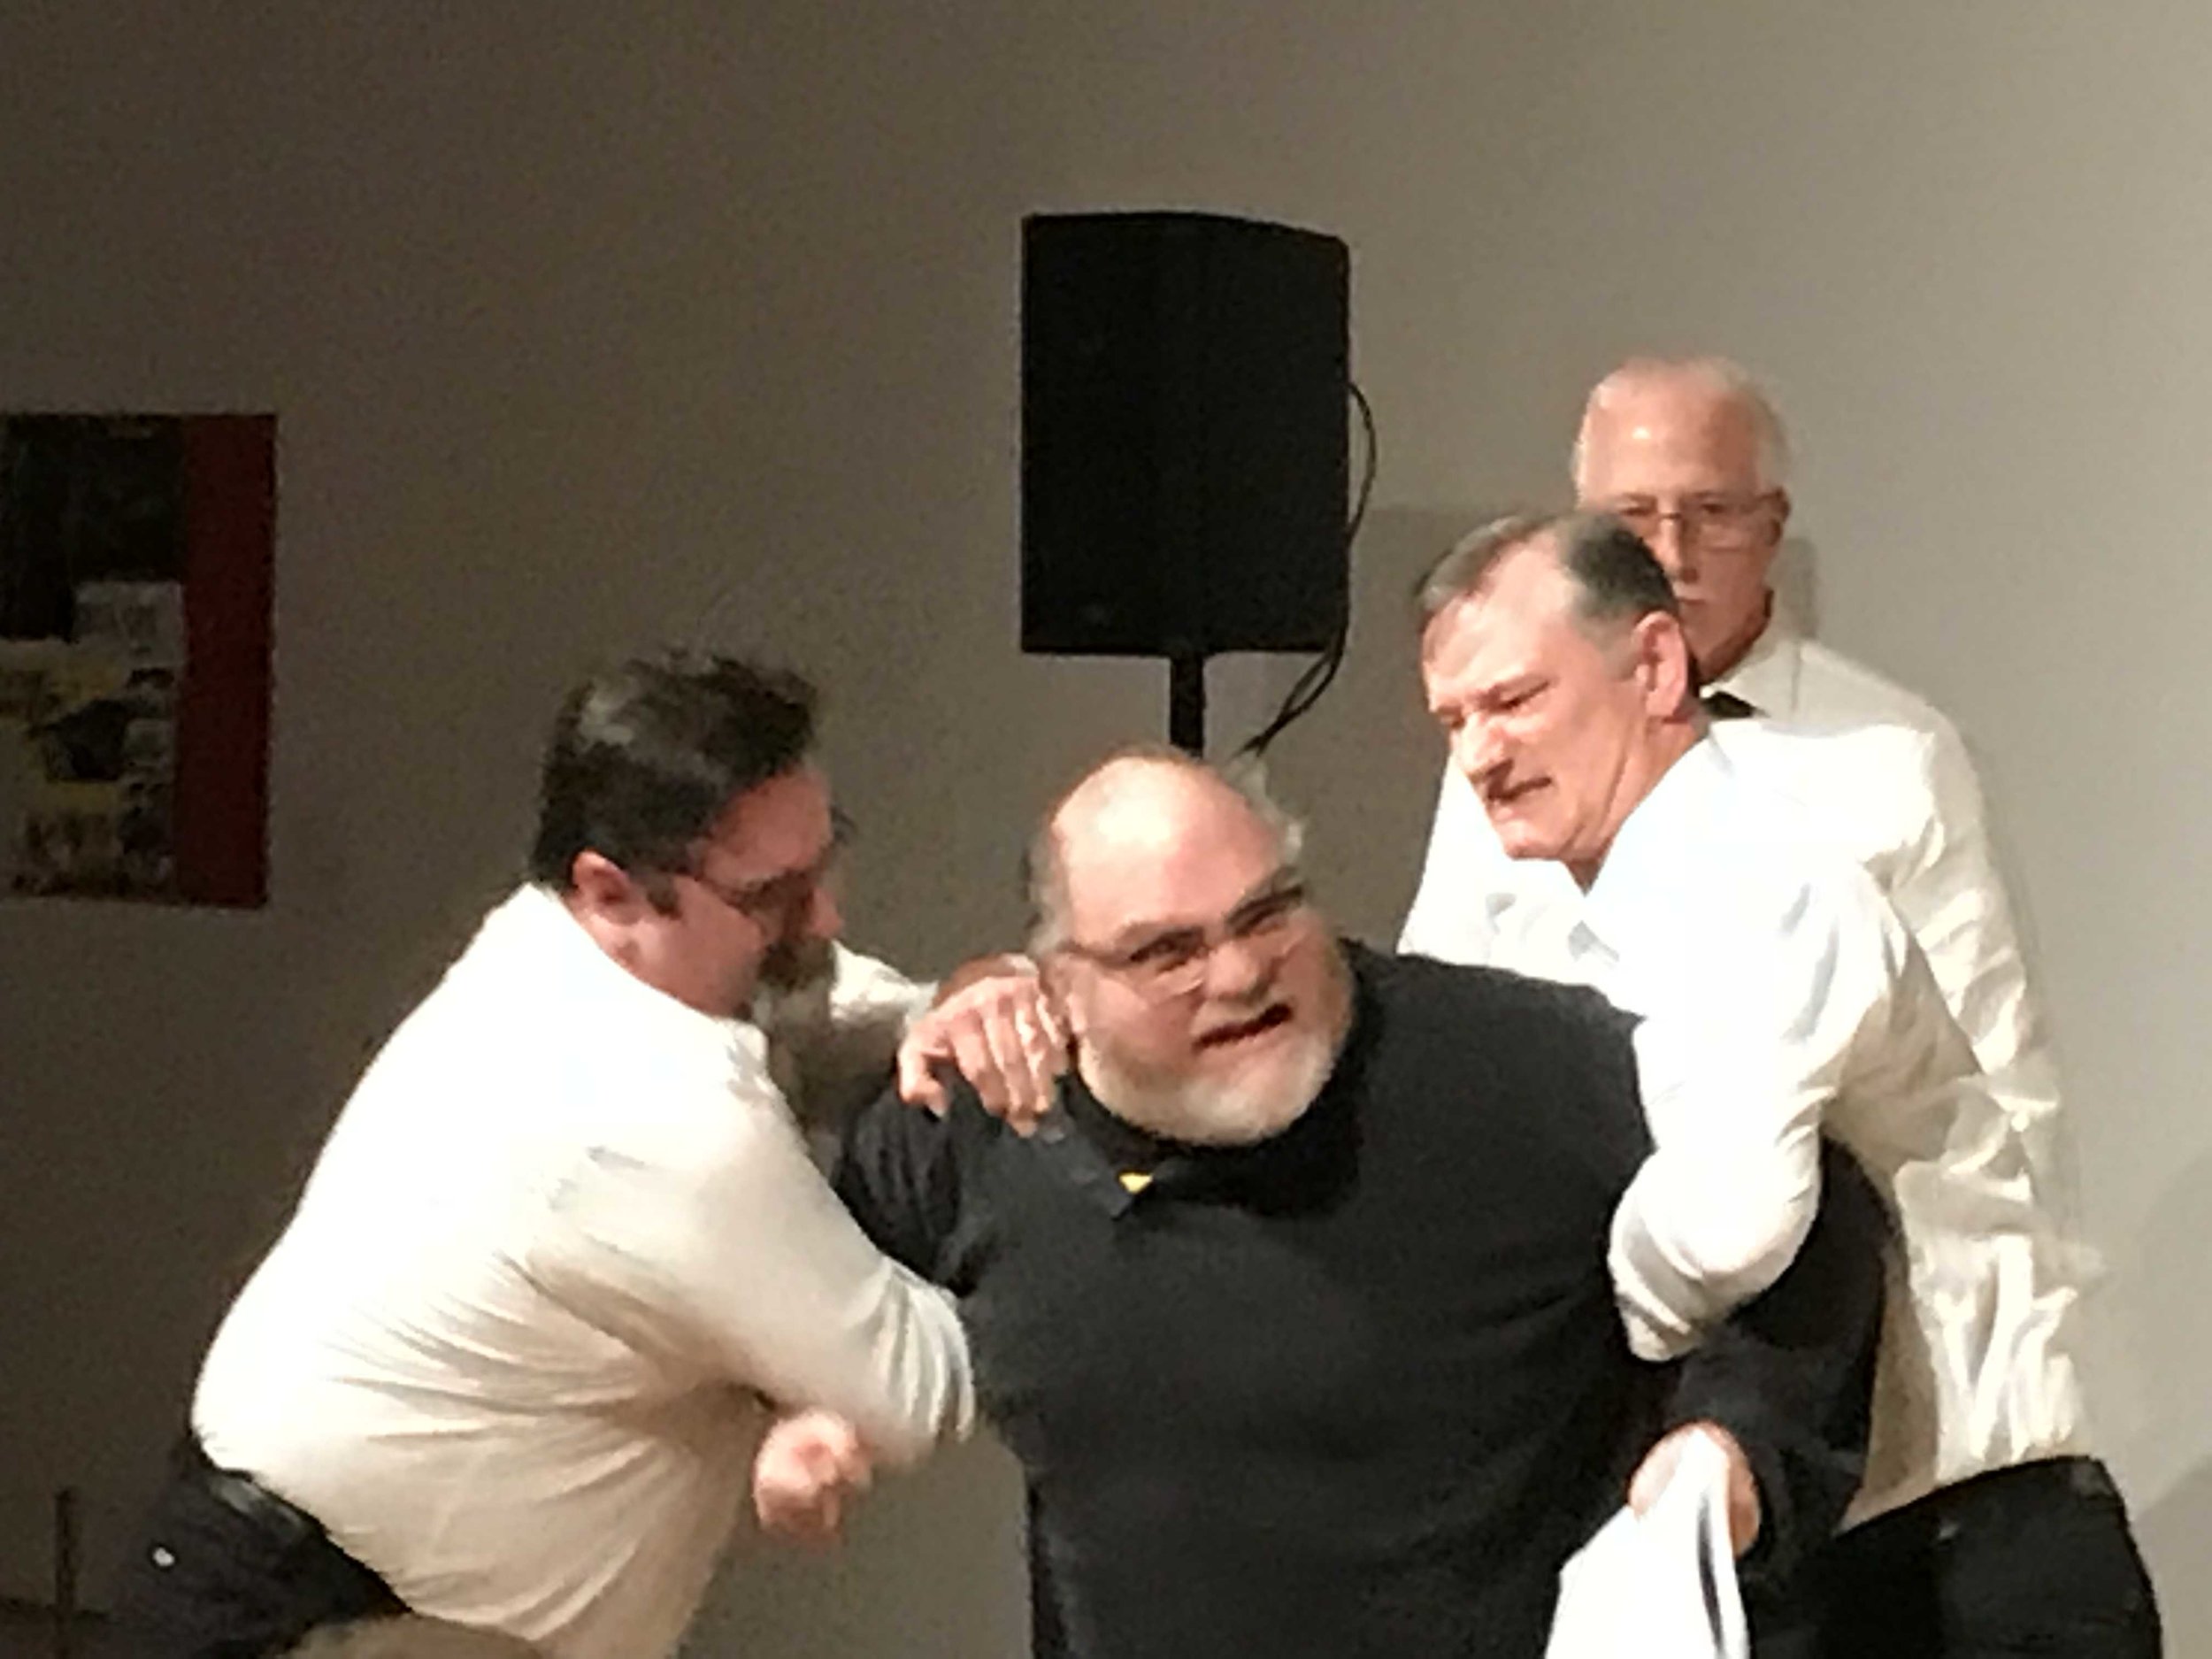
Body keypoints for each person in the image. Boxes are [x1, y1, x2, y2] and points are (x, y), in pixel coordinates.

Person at [811, 748, 1888, 1657]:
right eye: (1168, 953)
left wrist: (1736, 1443)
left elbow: (1816, 1211)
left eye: (1268, 913)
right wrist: (803, 1414)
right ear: (1060, 986)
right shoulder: (983, 1126)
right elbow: (817, 1259)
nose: (1239, 974)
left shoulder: (1505, 1068)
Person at [112, 652, 1000, 1659]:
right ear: (610, 893)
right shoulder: (652, 1115)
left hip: (320, 1588)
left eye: (826, 860)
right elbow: (912, 1387)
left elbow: (834, 1013)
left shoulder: (563, 949)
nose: (825, 917)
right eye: (776, 897)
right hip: (316, 1622)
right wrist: (1061, 1208)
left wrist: (983, 998)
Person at [1413, 512, 2157, 1655]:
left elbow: (1731, 1226)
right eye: (1453, 721)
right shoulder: (1552, 935)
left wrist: (1573, 1315)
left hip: (1971, 1557)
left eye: (1513, 700)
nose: (1479, 757)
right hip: (1823, 1559)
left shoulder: (1775, 884)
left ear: (1655, 666)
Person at [1401, 357, 2067, 1209]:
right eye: (1631, 518)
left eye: (1711, 513)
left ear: (1772, 525)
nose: (1669, 554)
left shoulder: (1895, 756)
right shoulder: (1509, 747)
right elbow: (1440, 1014)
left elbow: (1997, 1079)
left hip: (1826, 1246)